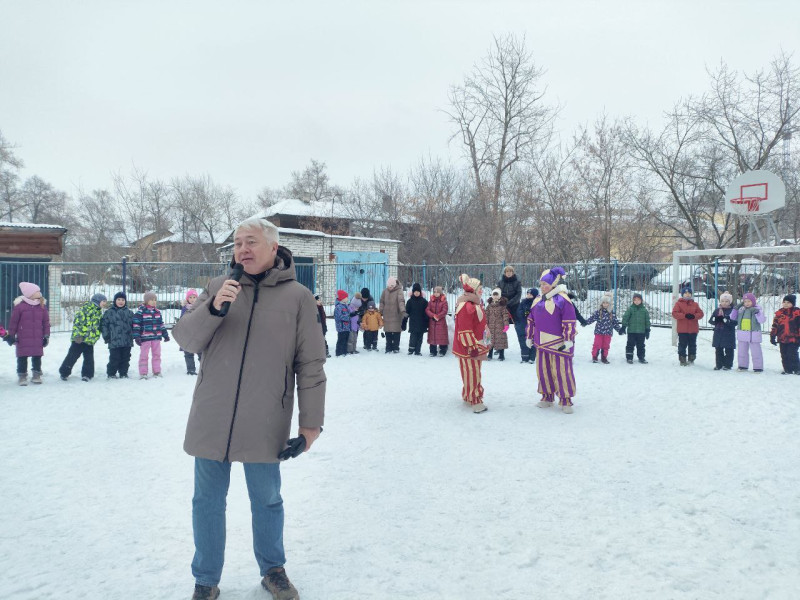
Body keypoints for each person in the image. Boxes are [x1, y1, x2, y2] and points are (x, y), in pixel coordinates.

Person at [171, 217, 325, 600]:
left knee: (267, 499)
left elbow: (311, 364)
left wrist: (311, 425)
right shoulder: (217, 288)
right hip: (212, 415)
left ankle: (273, 570)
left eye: (252, 242)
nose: (243, 249)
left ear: (274, 248)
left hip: (265, 417)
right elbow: (187, 340)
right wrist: (215, 309)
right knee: (206, 501)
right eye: (238, 242)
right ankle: (205, 579)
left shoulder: (299, 298)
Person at [526, 267, 578, 414]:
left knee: (562, 371)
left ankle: (565, 399)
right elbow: (531, 319)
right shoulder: (537, 300)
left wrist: (569, 339)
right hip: (541, 342)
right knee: (544, 370)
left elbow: (569, 320)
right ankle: (547, 396)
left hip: (560, 343)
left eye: (545, 284)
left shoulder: (563, 300)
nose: (542, 287)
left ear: (553, 284)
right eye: (541, 284)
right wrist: (529, 335)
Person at [452, 273, 489, 413]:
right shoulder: (468, 306)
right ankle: (475, 400)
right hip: (470, 346)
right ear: (473, 290)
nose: (482, 290)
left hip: (475, 343)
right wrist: (472, 347)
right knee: (472, 372)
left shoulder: (473, 303)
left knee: (471, 371)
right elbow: (464, 329)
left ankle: (469, 395)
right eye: (479, 288)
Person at [6, 282, 50, 386]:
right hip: (23, 337)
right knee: (22, 357)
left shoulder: (42, 306)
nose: (39, 293)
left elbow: (46, 322)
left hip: (37, 337)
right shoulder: (20, 307)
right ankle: (22, 376)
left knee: (37, 356)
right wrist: (11, 335)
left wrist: (46, 335)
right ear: (29, 294)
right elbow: (14, 322)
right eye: (37, 292)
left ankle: (36, 374)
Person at [59, 293, 106, 382]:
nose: (105, 303)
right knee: (72, 356)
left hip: (90, 340)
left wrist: (95, 337)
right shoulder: (86, 310)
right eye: (103, 301)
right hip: (79, 339)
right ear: (97, 301)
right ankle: (64, 372)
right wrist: (78, 336)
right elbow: (78, 323)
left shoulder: (98, 311)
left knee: (89, 358)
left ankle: (87, 374)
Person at [133, 291, 169, 379]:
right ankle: (143, 373)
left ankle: (156, 371)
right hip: (145, 338)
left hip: (156, 337)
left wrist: (165, 334)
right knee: (144, 355)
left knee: (157, 354)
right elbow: (136, 324)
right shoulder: (140, 312)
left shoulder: (157, 312)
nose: (154, 301)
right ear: (146, 301)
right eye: (151, 300)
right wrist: (136, 336)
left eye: (155, 300)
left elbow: (161, 324)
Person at [101, 291, 134, 379]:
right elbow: (104, 325)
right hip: (114, 340)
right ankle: (111, 373)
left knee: (126, 358)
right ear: (115, 301)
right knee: (114, 358)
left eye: (123, 300)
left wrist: (135, 335)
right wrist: (106, 336)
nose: (121, 301)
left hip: (127, 340)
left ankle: (123, 373)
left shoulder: (130, 313)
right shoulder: (109, 312)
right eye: (118, 299)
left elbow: (134, 325)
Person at [731, 292, 766, 372]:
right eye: (745, 301)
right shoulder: (741, 309)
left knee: (756, 352)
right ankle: (743, 366)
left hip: (753, 335)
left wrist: (757, 313)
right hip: (742, 334)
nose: (747, 303)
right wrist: (735, 309)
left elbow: (762, 320)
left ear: (753, 301)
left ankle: (758, 367)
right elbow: (732, 317)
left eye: (749, 301)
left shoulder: (758, 309)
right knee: (742, 352)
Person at [583, 293, 622, 364]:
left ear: (609, 304)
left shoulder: (611, 313)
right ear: (601, 303)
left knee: (606, 345)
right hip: (599, 332)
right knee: (597, 344)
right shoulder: (598, 312)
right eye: (604, 302)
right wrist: (585, 322)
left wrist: (619, 330)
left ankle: (604, 357)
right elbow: (592, 318)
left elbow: (615, 322)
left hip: (608, 333)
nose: (605, 304)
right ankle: (595, 356)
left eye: (607, 303)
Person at [671, 286, 704, 366]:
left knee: (692, 344)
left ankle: (691, 357)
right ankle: (682, 358)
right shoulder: (678, 304)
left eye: (689, 293)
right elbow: (675, 313)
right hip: (682, 330)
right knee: (682, 344)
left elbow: (701, 314)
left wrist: (694, 316)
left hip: (693, 329)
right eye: (685, 293)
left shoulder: (695, 304)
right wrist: (684, 316)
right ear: (682, 294)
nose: (687, 295)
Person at [770, 294, 800, 375]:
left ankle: (797, 368)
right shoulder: (779, 313)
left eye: (788, 302)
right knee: (784, 354)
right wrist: (772, 336)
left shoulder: (796, 313)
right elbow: (775, 325)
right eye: (784, 302)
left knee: (792, 354)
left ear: (793, 303)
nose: (786, 304)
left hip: (794, 338)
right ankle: (787, 369)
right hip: (782, 338)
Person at [708, 291, 736, 371]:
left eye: (727, 301)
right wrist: (716, 320)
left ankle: (728, 365)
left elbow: (735, 322)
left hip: (728, 333)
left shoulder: (732, 311)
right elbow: (711, 320)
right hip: (718, 333)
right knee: (718, 349)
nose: (724, 303)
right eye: (722, 301)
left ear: (730, 302)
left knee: (729, 350)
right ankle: (719, 364)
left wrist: (726, 320)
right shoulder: (717, 310)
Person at [620, 293, 650, 364]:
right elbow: (625, 317)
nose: (636, 301)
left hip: (641, 332)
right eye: (635, 300)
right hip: (631, 331)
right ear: (633, 301)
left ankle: (641, 357)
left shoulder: (644, 310)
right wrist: (624, 326)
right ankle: (629, 358)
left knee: (641, 345)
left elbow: (647, 320)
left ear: (641, 301)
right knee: (630, 344)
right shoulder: (630, 309)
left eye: (638, 300)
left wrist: (647, 330)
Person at [380, 276, 406, 354]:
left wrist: (402, 310)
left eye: (391, 286)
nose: (390, 288)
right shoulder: (385, 291)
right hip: (387, 314)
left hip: (396, 314)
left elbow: (401, 301)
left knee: (396, 332)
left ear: (394, 285)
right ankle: (388, 347)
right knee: (388, 332)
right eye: (388, 286)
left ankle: (396, 347)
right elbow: (382, 301)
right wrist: (380, 310)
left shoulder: (399, 291)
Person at [180, 289, 201, 375]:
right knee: (188, 352)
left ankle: (204, 367)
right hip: (188, 333)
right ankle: (191, 369)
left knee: (201, 352)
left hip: (198, 333)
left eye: (194, 297)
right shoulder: (185, 309)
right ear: (187, 299)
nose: (192, 299)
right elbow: (182, 319)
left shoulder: (200, 307)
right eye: (190, 297)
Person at [405, 283, 428, 356]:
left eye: (418, 291)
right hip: (413, 322)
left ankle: (418, 350)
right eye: (415, 291)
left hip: (421, 323)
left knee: (420, 338)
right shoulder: (410, 301)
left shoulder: (424, 301)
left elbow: (426, 312)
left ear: (420, 292)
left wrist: (427, 322)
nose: (416, 293)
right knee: (413, 337)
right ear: (413, 292)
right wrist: (404, 321)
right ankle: (411, 349)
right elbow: (407, 312)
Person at [515, 288, 538, 363]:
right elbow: (518, 311)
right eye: (527, 294)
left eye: (530, 294)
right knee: (523, 342)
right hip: (523, 325)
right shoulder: (523, 302)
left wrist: (530, 313)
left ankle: (532, 358)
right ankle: (524, 358)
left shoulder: (537, 303)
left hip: (533, 326)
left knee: (533, 341)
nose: (528, 295)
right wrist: (523, 313)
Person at [486, 288, 509, 361]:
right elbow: (486, 315)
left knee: (501, 340)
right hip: (491, 326)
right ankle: (489, 354)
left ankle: (501, 355)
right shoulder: (489, 306)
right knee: (490, 340)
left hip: (500, 326)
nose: (495, 297)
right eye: (494, 295)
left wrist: (506, 325)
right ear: (492, 296)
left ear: (499, 296)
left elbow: (505, 315)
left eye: (497, 295)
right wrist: (485, 324)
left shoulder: (502, 306)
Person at [425, 285, 449, 356]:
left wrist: (437, 316)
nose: (436, 293)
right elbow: (427, 309)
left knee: (442, 336)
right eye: (434, 292)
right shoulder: (431, 301)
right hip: (432, 322)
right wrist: (433, 316)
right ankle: (433, 351)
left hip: (441, 322)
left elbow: (444, 311)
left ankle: (443, 350)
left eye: (437, 292)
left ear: (440, 293)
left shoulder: (444, 301)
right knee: (432, 336)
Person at [333, 290, 350, 357]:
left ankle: (344, 351)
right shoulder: (338, 307)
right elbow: (339, 317)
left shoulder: (345, 305)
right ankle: (339, 352)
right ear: (342, 298)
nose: (347, 299)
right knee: (341, 340)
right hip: (341, 327)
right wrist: (348, 317)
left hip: (346, 327)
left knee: (346, 340)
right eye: (346, 297)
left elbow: (348, 314)